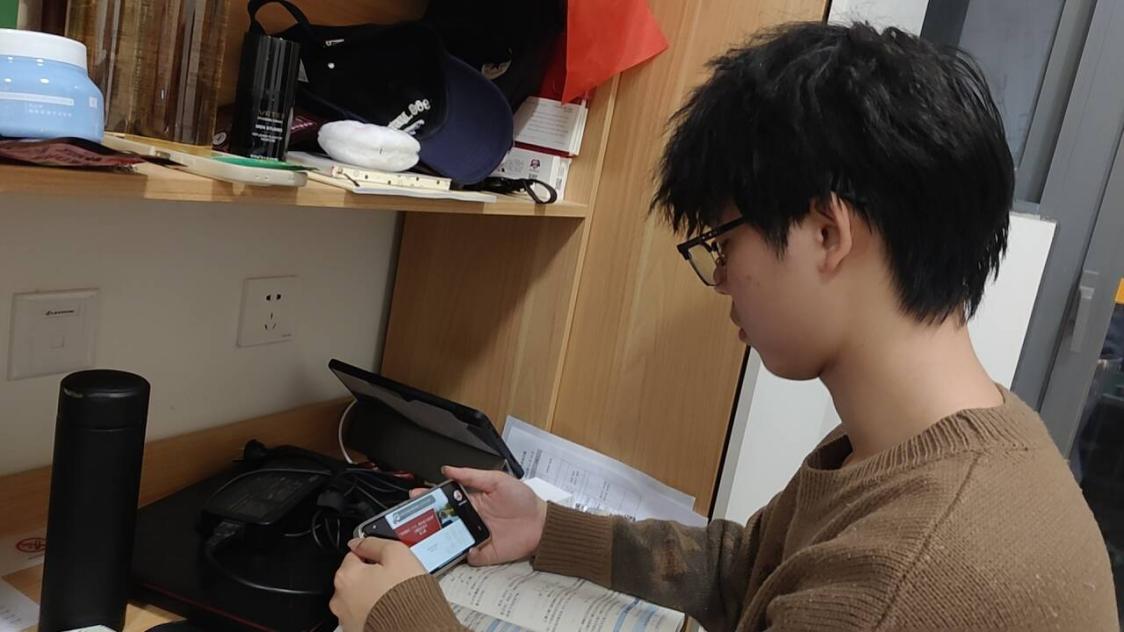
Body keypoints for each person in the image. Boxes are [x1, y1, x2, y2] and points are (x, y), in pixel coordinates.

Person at [329, 21, 1119, 632]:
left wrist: (403, 619)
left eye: (723, 242)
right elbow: (752, 569)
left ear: (827, 233)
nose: (720, 281)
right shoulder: (934, 443)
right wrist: (547, 528)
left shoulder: (904, 583)